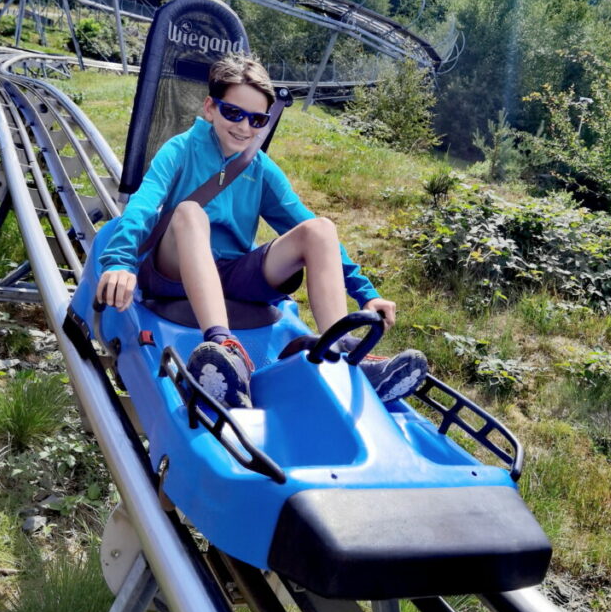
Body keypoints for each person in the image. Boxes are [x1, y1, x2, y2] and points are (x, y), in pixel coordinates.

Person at [96, 55, 427, 407]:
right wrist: (120, 262)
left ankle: (340, 350)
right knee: (191, 213)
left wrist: (366, 294)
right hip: (175, 270)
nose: (244, 127)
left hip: (232, 273)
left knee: (319, 229)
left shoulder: (260, 168)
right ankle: (224, 350)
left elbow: (306, 225)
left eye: (257, 119)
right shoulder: (180, 150)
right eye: (233, 113)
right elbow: (144, 206)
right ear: (210, 107)